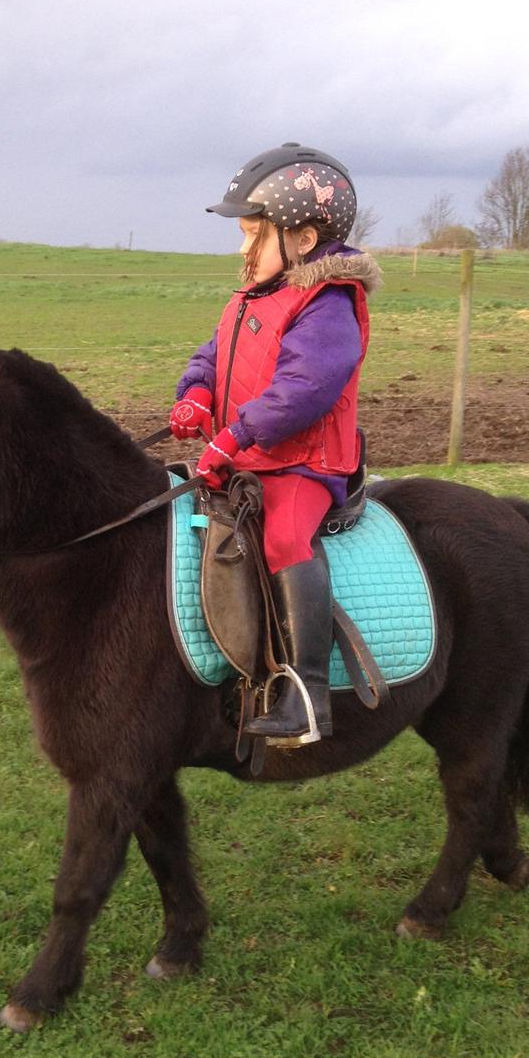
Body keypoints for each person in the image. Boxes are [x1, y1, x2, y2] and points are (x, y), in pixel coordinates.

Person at [169, 143, 381, 745]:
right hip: (249, 452)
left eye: (254, 235)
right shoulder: (250, 297)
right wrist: (196, 394)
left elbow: (304, 390)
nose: (243, 249)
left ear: (305, 239)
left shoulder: (329, 306)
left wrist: (234, 435)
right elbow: (213, 354)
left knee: (285, 536)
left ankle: (307, 695)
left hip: (304, 463)